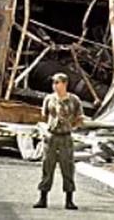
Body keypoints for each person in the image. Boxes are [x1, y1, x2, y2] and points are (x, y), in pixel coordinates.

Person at [33, 72, 83, 210]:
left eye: (57, 83)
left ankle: (69, 200)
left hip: (65, 137)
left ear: (65, 84)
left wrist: (69, 126)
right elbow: (44, 115)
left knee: (67, 168)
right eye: (53, 83)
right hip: (51, 137)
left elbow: (79, 118)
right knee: (47, 167)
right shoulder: (49, 99)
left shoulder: (74, 100)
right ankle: (42, 198)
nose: (54, 86)